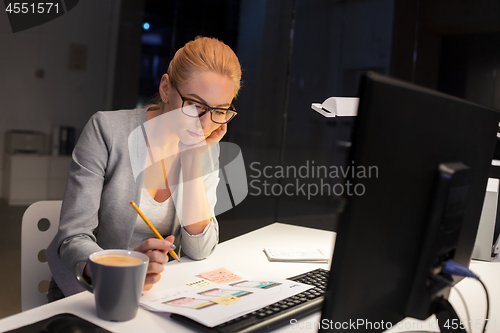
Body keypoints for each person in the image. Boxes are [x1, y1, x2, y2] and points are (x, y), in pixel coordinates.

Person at [46, 36, 242, 301]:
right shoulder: (107, 131)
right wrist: (122, 271)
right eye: (195, 105)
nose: (204, 123)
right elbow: (72, 237)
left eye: (219, 110)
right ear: (165, 89)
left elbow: (200, 249)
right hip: (92, 292)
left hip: (158, 295)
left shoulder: (206, 144)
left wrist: (194, 158)